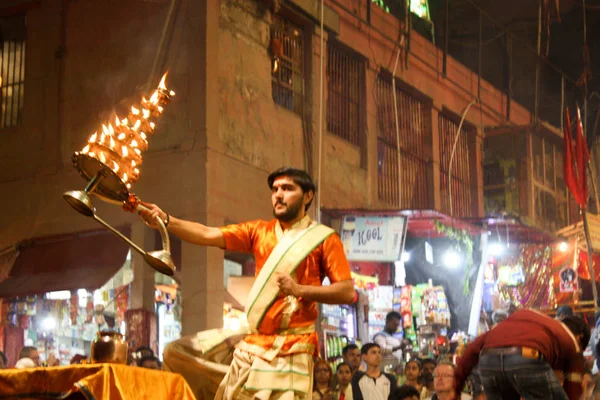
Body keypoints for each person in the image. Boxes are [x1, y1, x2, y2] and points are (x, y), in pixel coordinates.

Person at [143, 167, 354, 400]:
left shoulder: (324, 238)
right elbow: (206, 234)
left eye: (287, 189)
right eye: (275, 190)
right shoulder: (258, 231)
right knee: (175, 352)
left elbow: (346, 291)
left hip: (294, 346)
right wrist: (166, 220)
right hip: (253, 341)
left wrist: (299, 290)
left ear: (308, 196)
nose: (278, 195)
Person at [455, 309, 590, 400]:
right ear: (579, 337)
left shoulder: (536, 325)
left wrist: (456, 388)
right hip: (525, 358)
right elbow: (573, 389)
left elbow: (470, 351)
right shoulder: (572, 342)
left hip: (488, 360)